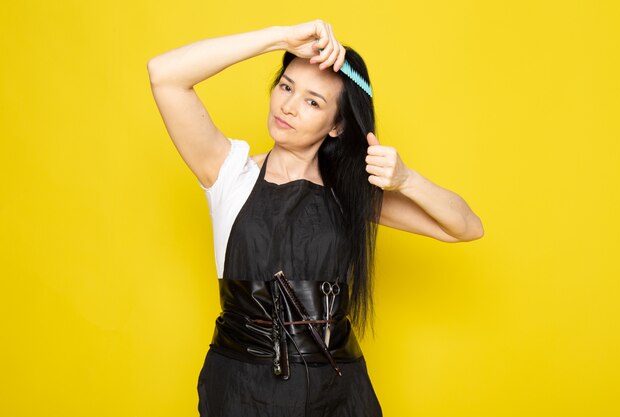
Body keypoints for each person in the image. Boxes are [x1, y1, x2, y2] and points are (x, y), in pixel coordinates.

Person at [148, 19, 484, 417]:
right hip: (241, 390)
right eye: (286, 86)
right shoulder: (229, 173)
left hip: (337, 394)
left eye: (313, 101)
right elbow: (164, 75)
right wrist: (279, 39)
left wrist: (407, 180)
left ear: (338, 125)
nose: (288, 106)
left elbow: (465, 227)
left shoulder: (351, 193)